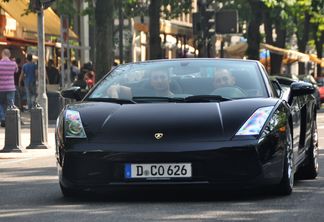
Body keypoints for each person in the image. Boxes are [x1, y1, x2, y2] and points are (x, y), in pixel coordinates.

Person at [106, 68, 174, 98]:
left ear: (169, 79)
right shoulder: (144, 94)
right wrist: (115, 98)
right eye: (155, 78)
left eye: (162, 77)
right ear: (151, 82)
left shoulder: (180, 97)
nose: (159, 81)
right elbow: (114, 88)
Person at [0, 49, 18, 127]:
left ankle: (3, 118)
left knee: (1, 104)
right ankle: (10, 120)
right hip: (10, 87)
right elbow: (16, 70)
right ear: (9, 55)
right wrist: (13, 61)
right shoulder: (13, 64)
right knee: (10, 104)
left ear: (2, 54)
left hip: (1, 87)